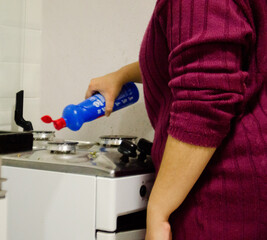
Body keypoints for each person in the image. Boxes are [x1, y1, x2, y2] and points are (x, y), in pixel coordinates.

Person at [85, 0, 267, 239]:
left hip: (220, 201)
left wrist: (158, 210)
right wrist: (121, 75)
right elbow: (209, 53)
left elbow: (204, 99)